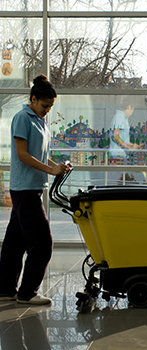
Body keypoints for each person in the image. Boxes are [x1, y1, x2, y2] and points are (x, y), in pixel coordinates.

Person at [0, 74, 70, 305]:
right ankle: (27, 292)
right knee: (42, 244)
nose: (47, 110)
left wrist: (56, 166)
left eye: (50, 106)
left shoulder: (40, 121)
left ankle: (6, 290)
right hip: (25, 189)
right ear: (33, 99)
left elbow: (41, 155)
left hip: (31, 188)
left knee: (14, 243)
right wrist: (50, 172)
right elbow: (22, 155)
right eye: (44, 105)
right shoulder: (23, 117)